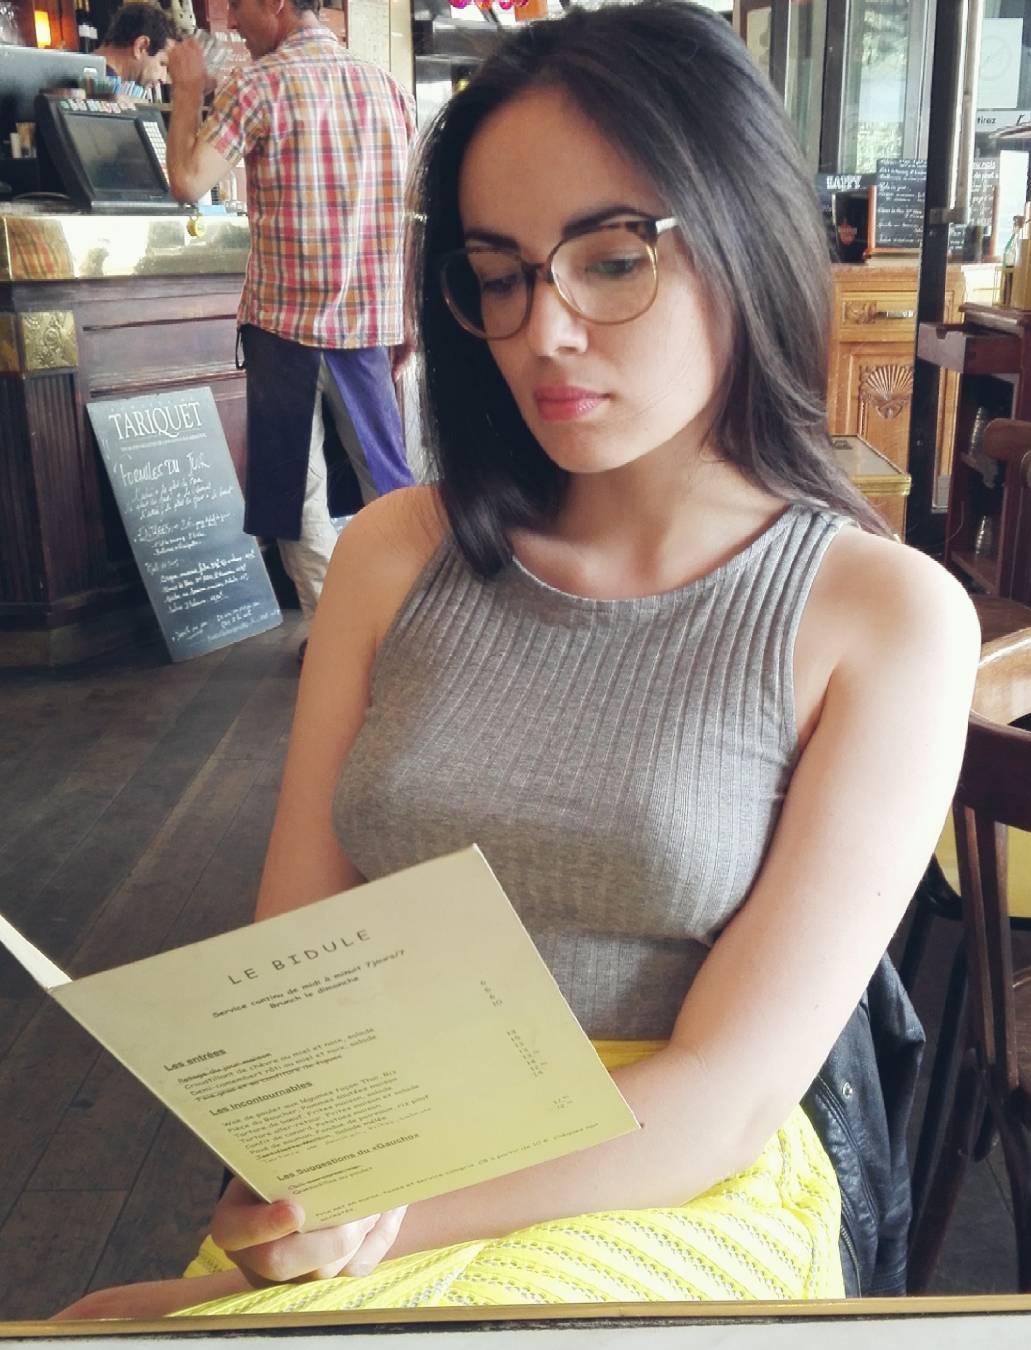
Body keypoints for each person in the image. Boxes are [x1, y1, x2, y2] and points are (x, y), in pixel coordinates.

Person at [55, 0, 978, 1320]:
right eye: (499, 274)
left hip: (675, 1179)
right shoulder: (392, 555)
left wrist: (371, 1231)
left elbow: (726, 1096)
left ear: (750, 235)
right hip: (383, 1139)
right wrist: (290, 1180)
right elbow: (298, 965)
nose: (542, 329)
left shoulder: (882, 616)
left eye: (612, 259)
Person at [165, 0, 416, 641]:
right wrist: (407, 316)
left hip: (284, 327)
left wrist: (187, 90)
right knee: (387, 482)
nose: (232, 21)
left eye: (238, 6)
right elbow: (411, 213)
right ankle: (407, 626)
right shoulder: (387, 88)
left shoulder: (257, 85)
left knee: (297, 490)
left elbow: (188, 181)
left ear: (276, 4)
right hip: (367, 324)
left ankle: (335, 635)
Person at [95, 2, 176, 98]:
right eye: (162, 64)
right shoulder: (104, 95)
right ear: (140, 46)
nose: (163, 79)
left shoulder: (85, 78)